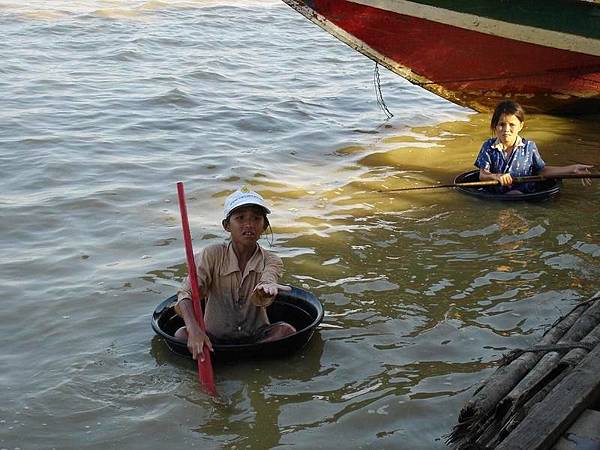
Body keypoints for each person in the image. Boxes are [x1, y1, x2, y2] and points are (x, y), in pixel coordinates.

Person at [174, 187, 295, 360]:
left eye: (256, 218)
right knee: (181, 334)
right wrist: (195, 331)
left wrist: (265, 288)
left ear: (264, 226)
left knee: (286, 331)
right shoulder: (212, 254)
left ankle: (251, 359)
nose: (249, 224)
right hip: (213, 338)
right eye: (240, 218)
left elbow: (269, 278)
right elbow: (185, 294)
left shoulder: (271, 259)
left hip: (256, 337)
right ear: (227, 225)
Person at [474, 100, 592, 193]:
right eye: (501, 124)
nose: (506, 130)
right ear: (494, 126)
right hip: (497, 195)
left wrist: (572, 169)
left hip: (523, 193)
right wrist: (496, 176)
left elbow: (542, 171)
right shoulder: (489, 146)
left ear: (520, 126)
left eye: (512, 125)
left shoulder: (529, 147)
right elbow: (483, 175)